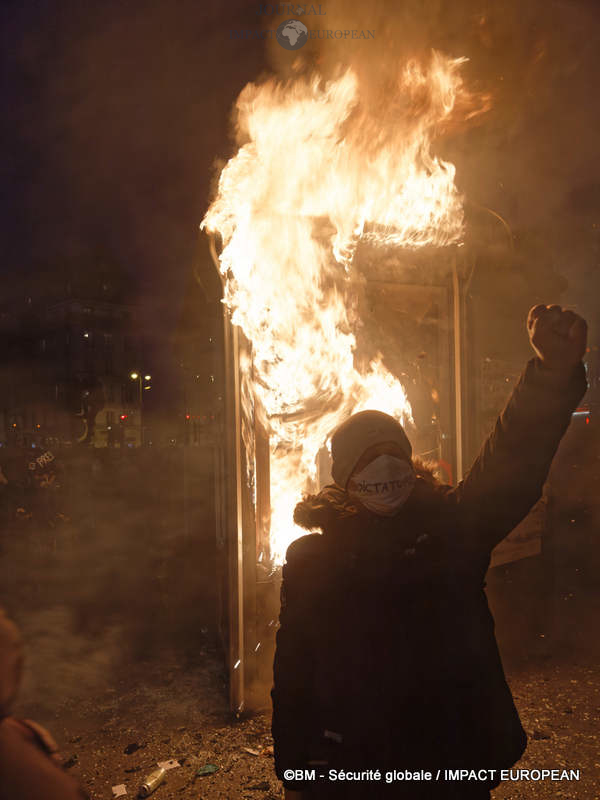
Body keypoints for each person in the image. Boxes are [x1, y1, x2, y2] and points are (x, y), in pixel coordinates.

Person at [271, 304, 588, 799]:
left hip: (453, 755)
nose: (385, 470)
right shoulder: (313, 560)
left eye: (393, 455)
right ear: (345, 478)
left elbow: (513, 461)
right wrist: (296, 772)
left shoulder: (454, 528)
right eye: (369, 460)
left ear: (412, 462)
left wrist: (552, 375)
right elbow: (293, 672)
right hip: (359, 765)